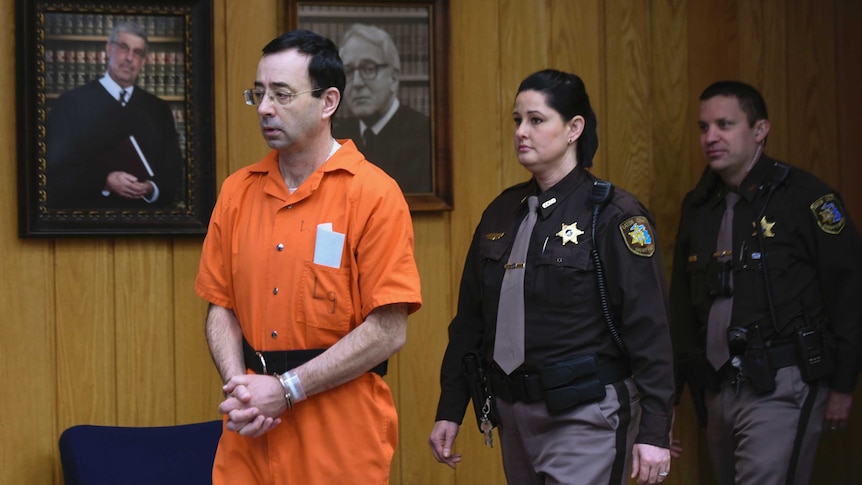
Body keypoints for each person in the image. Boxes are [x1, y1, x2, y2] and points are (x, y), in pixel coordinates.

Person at [194, 29, 422, 485]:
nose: (263, 108)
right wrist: (243, 391)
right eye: (258, 94)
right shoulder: (237, 192)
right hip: (250, 434)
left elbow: (388, 331)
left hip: (338, 439)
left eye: (281, 94)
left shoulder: (374, 194)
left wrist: (286, 389)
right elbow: (220, 308)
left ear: (328, 102)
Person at [429, 69, 674, 485]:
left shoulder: (613, 215)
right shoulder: (502, 212)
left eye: (537, 120)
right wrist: (451, 408)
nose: (522, 132)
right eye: (517, 120)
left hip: (585, 413)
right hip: (514, 413)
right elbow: (470, 322)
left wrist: (655, 428)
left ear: (574, 128)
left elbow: (649, 328)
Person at [669, 80, 862, 484]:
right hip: (719, 387)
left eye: (725, 124)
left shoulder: (806, 198)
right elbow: (681, 310)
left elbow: (849, 292)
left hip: (782, 380)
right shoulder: (699, 205)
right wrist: (667, 401)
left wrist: (844, 384)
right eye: (704, 127)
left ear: (760, 130)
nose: (711, 137)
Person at [46, 20, 182, 209]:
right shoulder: (71, 103)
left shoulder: (158, 110)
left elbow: (173, 171)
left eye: (137, 53)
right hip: (87, 224)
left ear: (143, 61)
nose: (129, 58)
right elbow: (56, 171)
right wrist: (105, 181)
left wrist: (151, 188)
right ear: (109, 50)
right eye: (124, 48)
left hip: (145, 225)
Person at [332, 23, 432, 193]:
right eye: (348, 71)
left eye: (369, 68)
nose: (357, 83)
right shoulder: (336, 138)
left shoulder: (425, 134)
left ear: (393, 78)